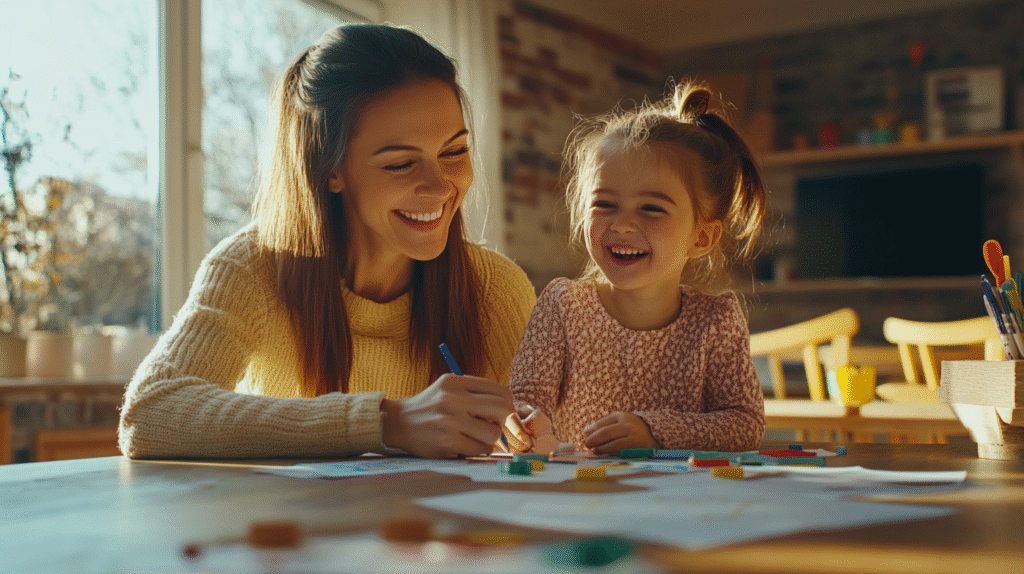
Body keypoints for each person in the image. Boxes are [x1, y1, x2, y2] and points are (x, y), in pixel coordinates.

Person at [118, 23, 537, 460]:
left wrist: (545, 428)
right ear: (329, 167)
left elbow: (558, 431)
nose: (440, 186)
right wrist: (386, 422)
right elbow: (150, 413)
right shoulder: (252, 268)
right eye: (399, 164)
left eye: (454, 152)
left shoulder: (496, 287)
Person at [504, 82, 767, 455]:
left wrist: (653, 430)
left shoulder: (716, 321)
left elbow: (745, 425)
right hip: (580, 504)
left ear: (702, 238)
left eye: (651, 208)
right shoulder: (562, 306)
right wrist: (523, 420)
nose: (622, 225)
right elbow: (526, 400)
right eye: (605, 204)